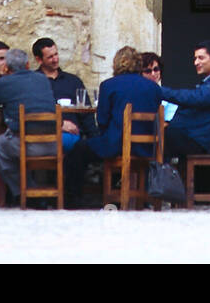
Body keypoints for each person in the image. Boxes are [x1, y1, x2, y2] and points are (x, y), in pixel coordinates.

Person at [64, 46, 162, 206]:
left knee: (78, 150)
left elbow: (102, 120)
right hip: (146, 147)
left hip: (116, 144)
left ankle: (73, 198)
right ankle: (137, 199)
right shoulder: (153, 87)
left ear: (116, 64)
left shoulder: (109, 85)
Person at [0, 49, 58, 200]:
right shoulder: (42, 79)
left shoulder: (5, 82)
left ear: (6, 67)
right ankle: (40, 194)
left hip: (25, 145)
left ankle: (24, 192)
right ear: (28, 64)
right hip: (53, 144)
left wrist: (3, 77)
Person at [161, 40, 210, 159]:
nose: (196, 62)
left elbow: (195, 98)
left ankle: (155, 176)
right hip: (189, 136)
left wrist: (160, 91)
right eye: (195, 58)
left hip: (194, 140)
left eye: (201, 58)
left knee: (155, 137)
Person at [32, 37, 93, 144]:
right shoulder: (33, 82)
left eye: (56, 54)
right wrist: (59, 124)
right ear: (39, 60)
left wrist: (94, 139)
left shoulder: (73, 81)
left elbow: (86, 114)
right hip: (44, 136)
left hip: (75, 136)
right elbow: (32, 112)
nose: (55, 59)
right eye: (50, 57)